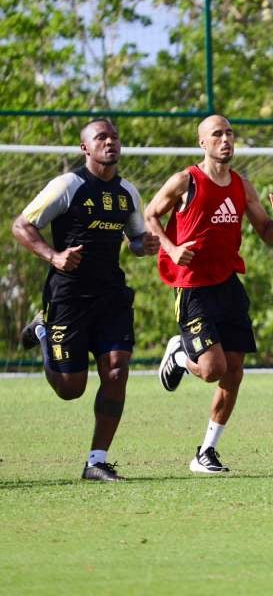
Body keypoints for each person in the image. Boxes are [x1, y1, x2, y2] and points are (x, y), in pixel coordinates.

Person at [144, 115, 273, 474]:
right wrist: (171, 246)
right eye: (217, 134)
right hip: (193, 285)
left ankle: (206, 452)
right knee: (213, 369)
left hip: (228, 284)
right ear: (202, 143)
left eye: (229, 133)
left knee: (235, 371)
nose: (225, 139)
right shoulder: (186, 181)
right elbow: (150, 214)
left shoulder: (243, 186)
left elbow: (267, 233)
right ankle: (180, 355)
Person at [12, 119, 160, 481]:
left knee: (116, 369)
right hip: (68, 298)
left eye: (114, 137)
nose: (110, 142)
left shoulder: (128, 192)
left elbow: (136, 238)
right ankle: (44, 329)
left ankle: (97, 460)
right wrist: (54, 256)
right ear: (85, 148)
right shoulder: (67, 186)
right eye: (101, 137)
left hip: (110, 295)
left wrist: (146, 246)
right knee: (70, 388)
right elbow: (21, 225)